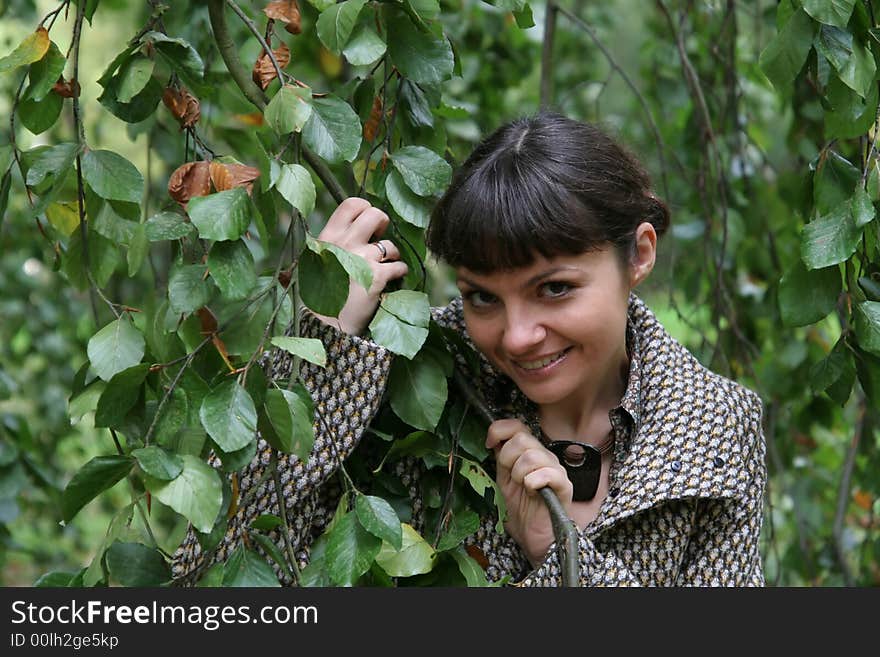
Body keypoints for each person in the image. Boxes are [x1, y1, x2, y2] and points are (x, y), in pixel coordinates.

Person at [172, 111, 767, 586]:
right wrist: (320, 349)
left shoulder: (714, 425)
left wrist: (560, 557)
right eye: (483, 298)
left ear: (638, 255)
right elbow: (212, 572)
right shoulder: (409, 376)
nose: (516, 335)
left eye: (554, 289)